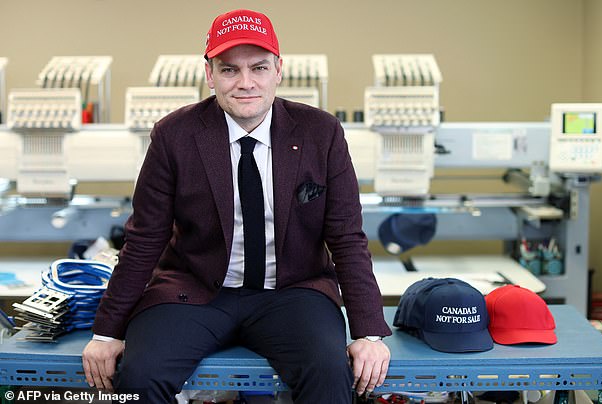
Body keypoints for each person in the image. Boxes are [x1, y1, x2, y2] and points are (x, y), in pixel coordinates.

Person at [82, 8, 391, 403]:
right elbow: (144, 239)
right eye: (229, 70)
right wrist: (107, 333)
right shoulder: (174, 136)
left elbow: (347, 238)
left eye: (259, 68)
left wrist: (368, 333)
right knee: (140, 377)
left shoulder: (320, 133)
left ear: (279, 69)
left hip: (294, 291)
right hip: (193, 293)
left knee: (330, 376)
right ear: (209, 74)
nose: (246, 83)